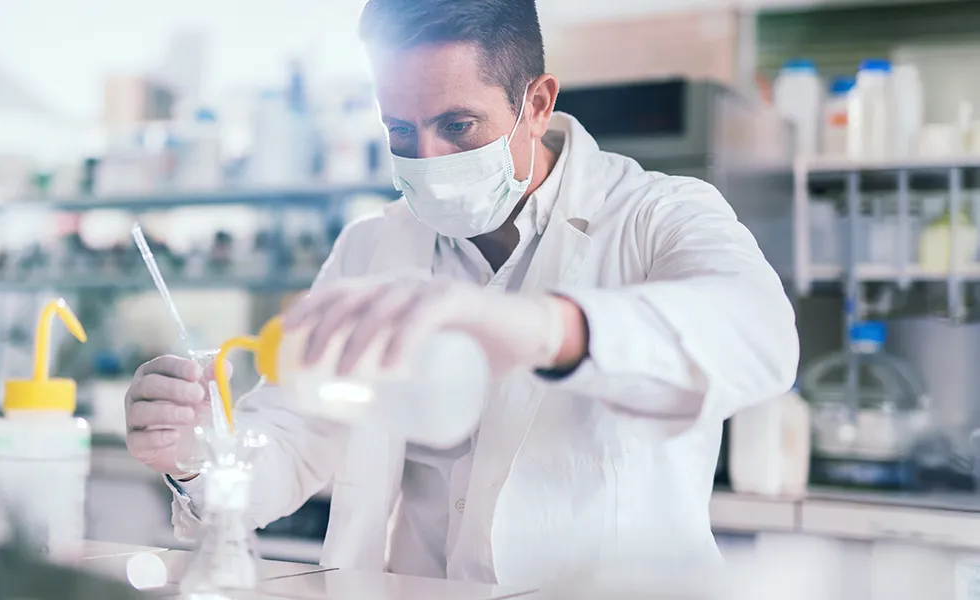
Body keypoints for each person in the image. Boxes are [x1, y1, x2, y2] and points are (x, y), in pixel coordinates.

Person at [125, 0, 799, 588]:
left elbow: (761, 337)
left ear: (535, 105)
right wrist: (192, 451)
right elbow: (293, 438)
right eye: (399, 131)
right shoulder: (369, 248)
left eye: (458, 126)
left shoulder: (657, 215)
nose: (428, 160)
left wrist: (541, 329)